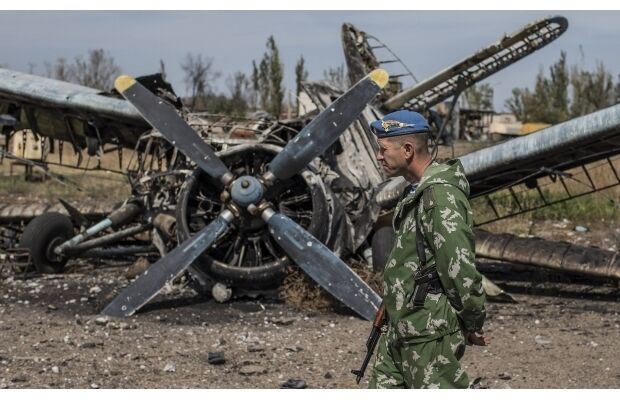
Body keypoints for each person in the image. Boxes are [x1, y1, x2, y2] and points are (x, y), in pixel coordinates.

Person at [368, 110, 487, 389]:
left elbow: (459, 268)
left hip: (428, 333)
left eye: (383, 149)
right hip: (402, 326)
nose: (378, 156)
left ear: (407, 150)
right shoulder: (415, 191)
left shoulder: (440, 196)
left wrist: (472, 320)